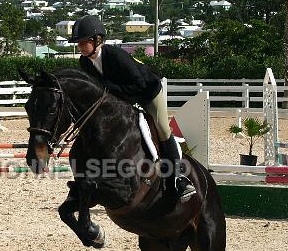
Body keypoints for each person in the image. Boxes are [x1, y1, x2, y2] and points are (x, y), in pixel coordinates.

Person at [70, 15, 196, 201]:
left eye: (83, 42)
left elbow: (137, 83)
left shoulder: (114, 55)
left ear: (97, 40)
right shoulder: (84, 62)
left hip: (148, 91)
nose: (80, 47)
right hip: (124, 97)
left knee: (162, 129)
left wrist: (110, 89)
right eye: (78, 43)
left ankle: (179, 178)